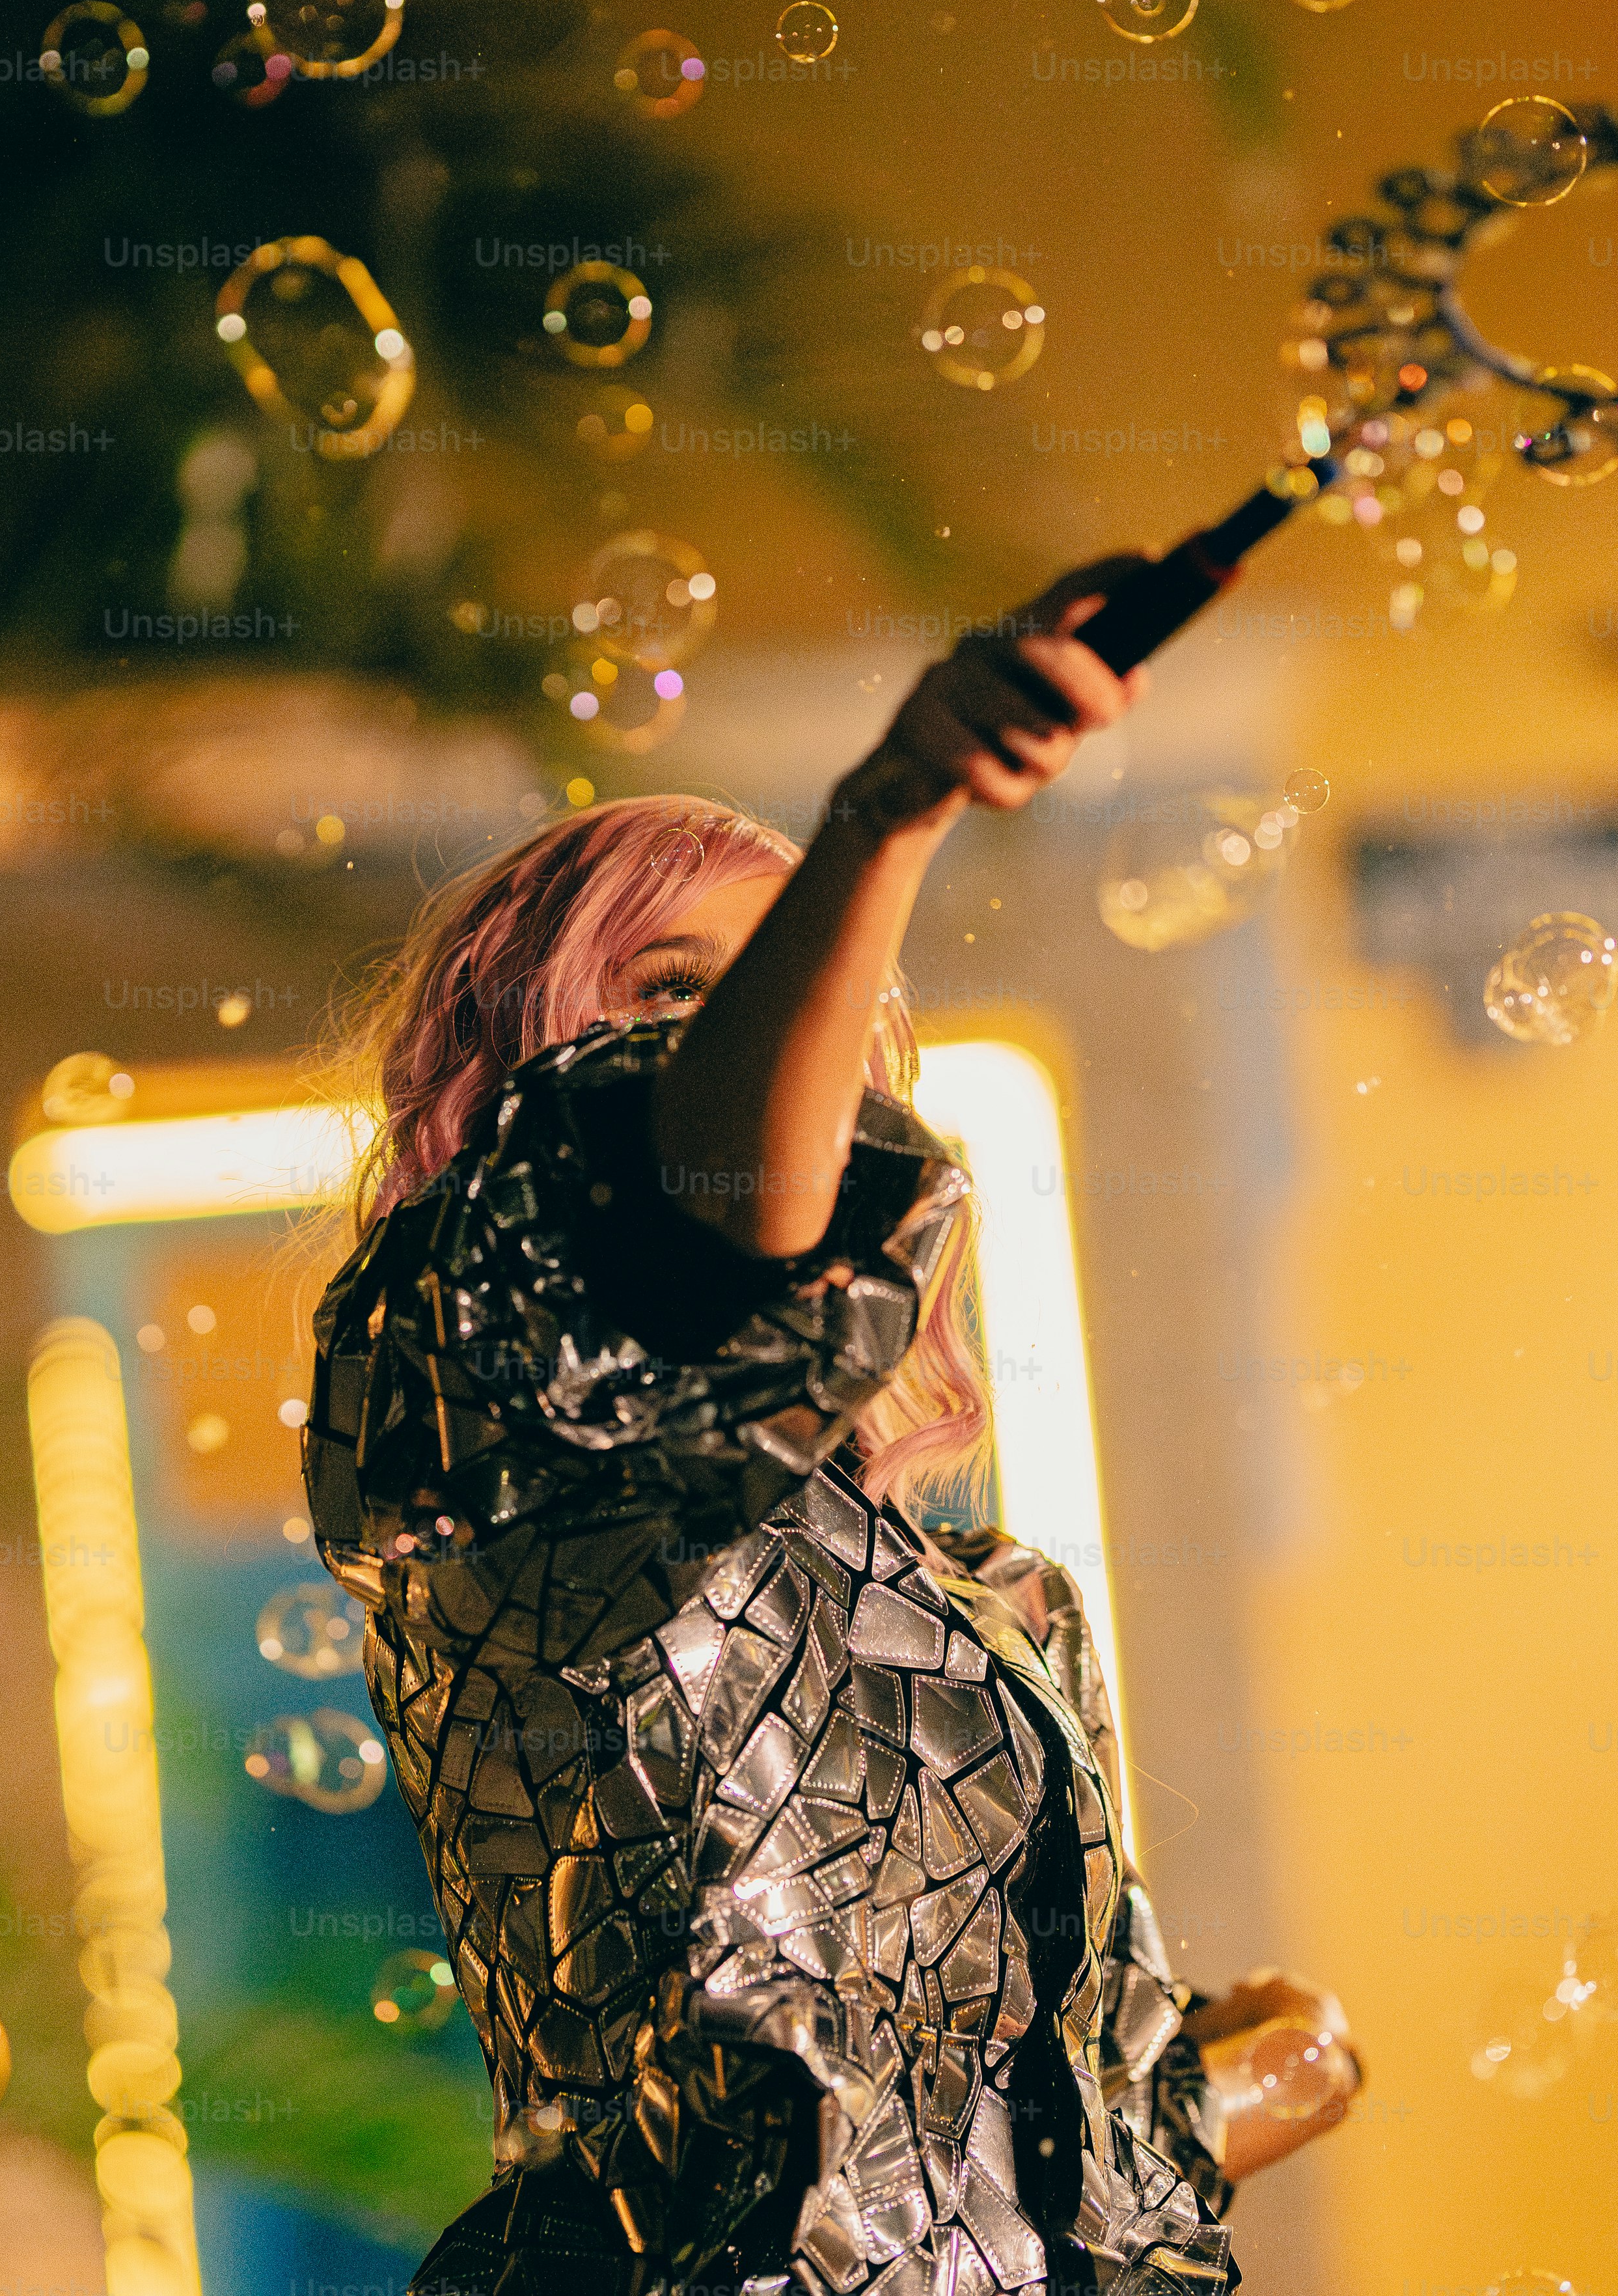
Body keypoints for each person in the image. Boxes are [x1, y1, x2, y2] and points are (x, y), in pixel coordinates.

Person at [301, 557, 1358, 2295]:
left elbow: (989, 2173)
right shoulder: (475, 1409)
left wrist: (1249, 2081)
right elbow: (701, 1207)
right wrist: (890, 807)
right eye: (667, 991)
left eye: (805, 995)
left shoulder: (987, 1602)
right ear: (523, 1090)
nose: (762, 1043)